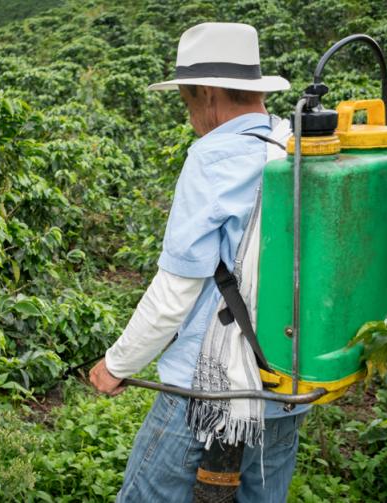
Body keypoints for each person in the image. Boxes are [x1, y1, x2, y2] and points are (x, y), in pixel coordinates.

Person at [89, 22, 310, 502]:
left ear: (206, 94)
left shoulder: (212, 158)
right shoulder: (296, 145)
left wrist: (117, 364)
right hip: (289, 382)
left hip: (207, 388)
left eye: (188, 102)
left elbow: (175, 292)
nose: (191, 116)